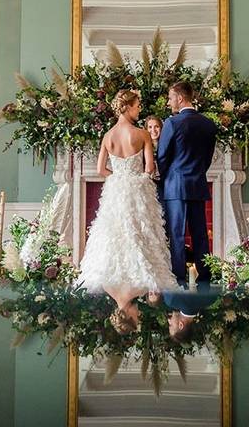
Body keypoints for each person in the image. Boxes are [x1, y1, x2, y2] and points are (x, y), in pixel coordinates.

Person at [76, 89, 178, 331]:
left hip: (116, 189)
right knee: (141, 230)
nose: (139, 108)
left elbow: (101, 169)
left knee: (114, 231)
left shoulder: (108, 135)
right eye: (138, 105)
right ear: (128, 107)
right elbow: (150, 169)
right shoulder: (141, 134)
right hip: (138, 189)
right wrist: (136, 179)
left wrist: (119, 178)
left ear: (130, 315)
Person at [157, 81, 218, 287]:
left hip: (175, 186)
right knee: (200, 233)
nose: (168, 102)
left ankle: (179, 278)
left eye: (170, 97)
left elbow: (162, 156)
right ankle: (205, 277)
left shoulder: (172, 123)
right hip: (198, 184)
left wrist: (164, 178)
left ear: (180, 98)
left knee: (176, 234)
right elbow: (207, 158)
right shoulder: (208, 124)